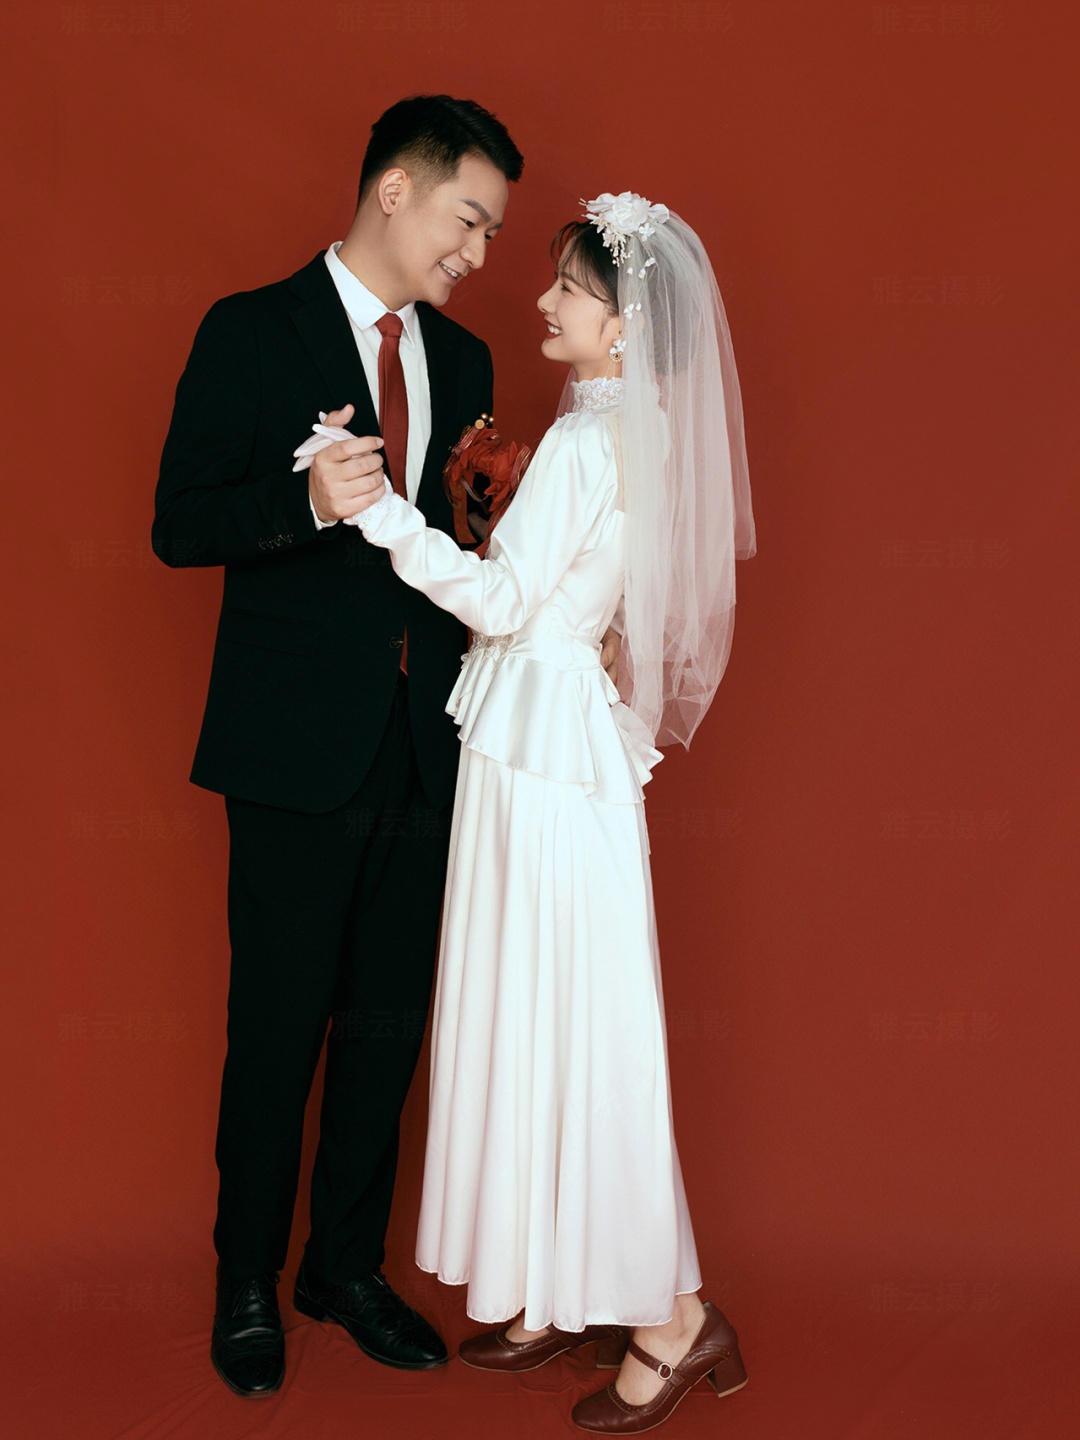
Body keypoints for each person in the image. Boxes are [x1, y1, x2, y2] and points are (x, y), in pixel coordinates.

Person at [317, 191, 757, 1433]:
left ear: (624, 326)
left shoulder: (585, 440)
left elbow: (504, 604)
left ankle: (673, 1320)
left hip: (537, 749)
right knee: (555, 1010)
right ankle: (559, 1287)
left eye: (572, 289)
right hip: (560, 741)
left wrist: (378, 510)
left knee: (566, 1014)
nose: (546, 301)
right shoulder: (640, 428)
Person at [152, 95, 537, 1399]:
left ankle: (346, 1269)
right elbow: (179, 523)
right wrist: (305, 502)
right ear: (394, 189)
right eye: (469, 220)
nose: (478, 252)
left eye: (492, 234)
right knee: (276, 1024)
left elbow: (462, 551)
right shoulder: (249, 331)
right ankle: (247, 1281)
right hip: (291, 749)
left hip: (428, 744)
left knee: (388, 1023)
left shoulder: (467, 359)